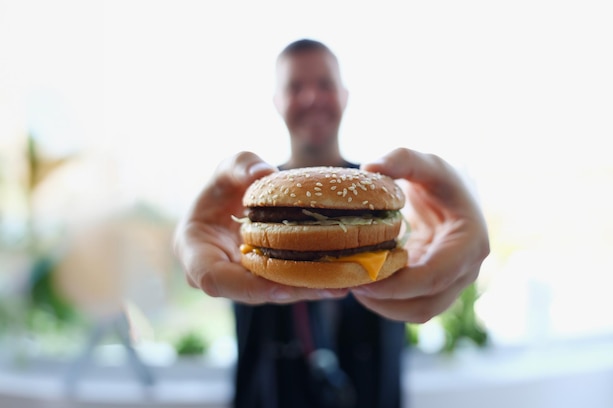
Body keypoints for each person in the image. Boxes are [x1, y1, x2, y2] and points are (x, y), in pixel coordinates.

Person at [174, 39, 490, 408]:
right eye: (295, 87)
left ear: (344, 95)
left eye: (325, 84)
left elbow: (435, 241)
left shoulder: (384, 189)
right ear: (277, 101)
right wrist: (182, 243)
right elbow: (200, 256)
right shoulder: (247, 194)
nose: (312, 97)